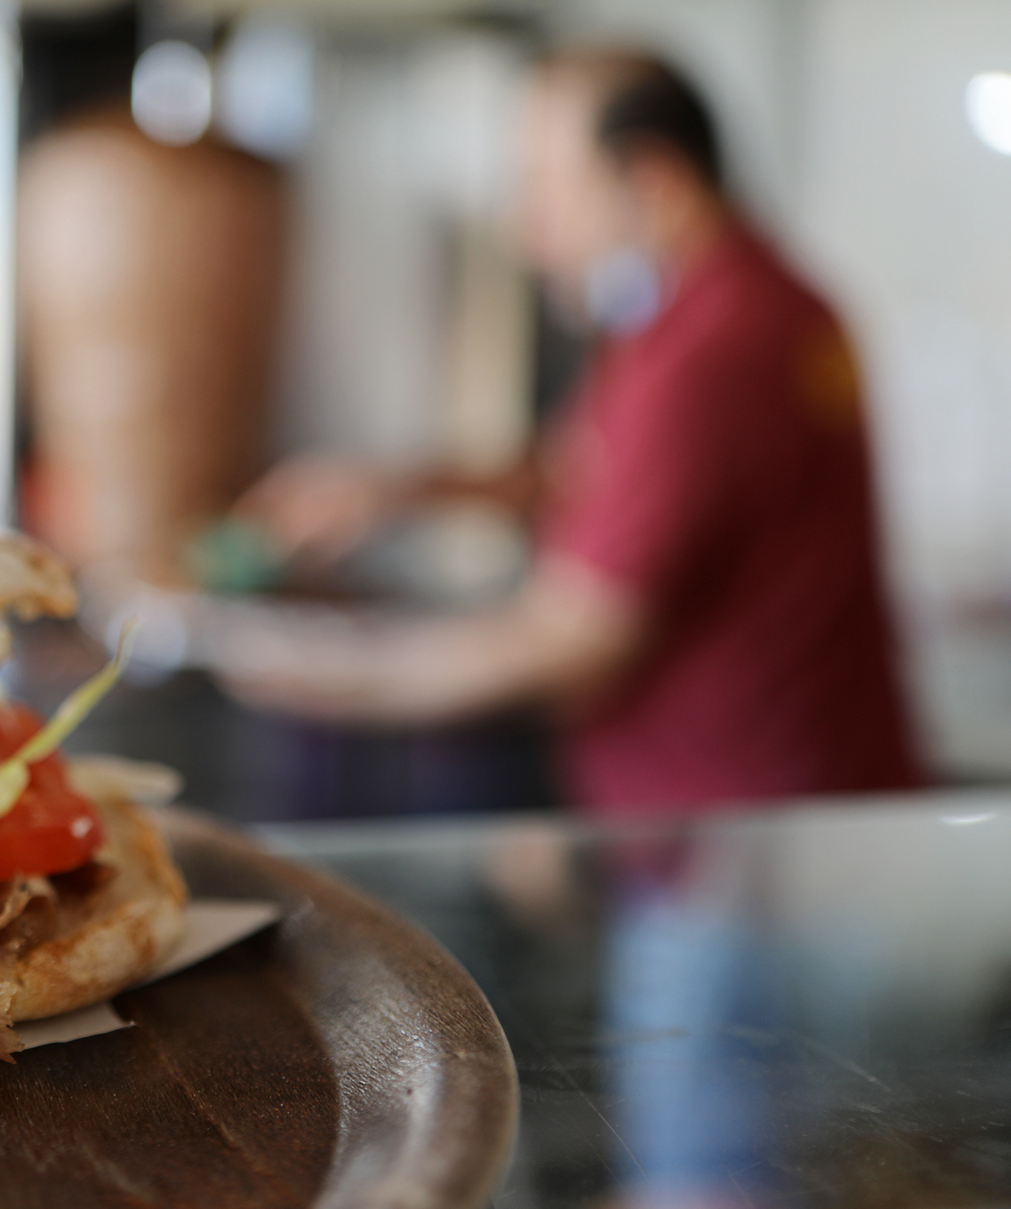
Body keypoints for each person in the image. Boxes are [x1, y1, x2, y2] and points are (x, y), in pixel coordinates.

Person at [215, 48, 924, 814]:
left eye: (547, 187)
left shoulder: (710, 356)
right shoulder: (751, 302)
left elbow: (574, 636)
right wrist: (391, 492)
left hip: (743, 833)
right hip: (789, 800)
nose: (527, 227)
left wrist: (321, 669)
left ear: (652, 181)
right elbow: (587, 468)